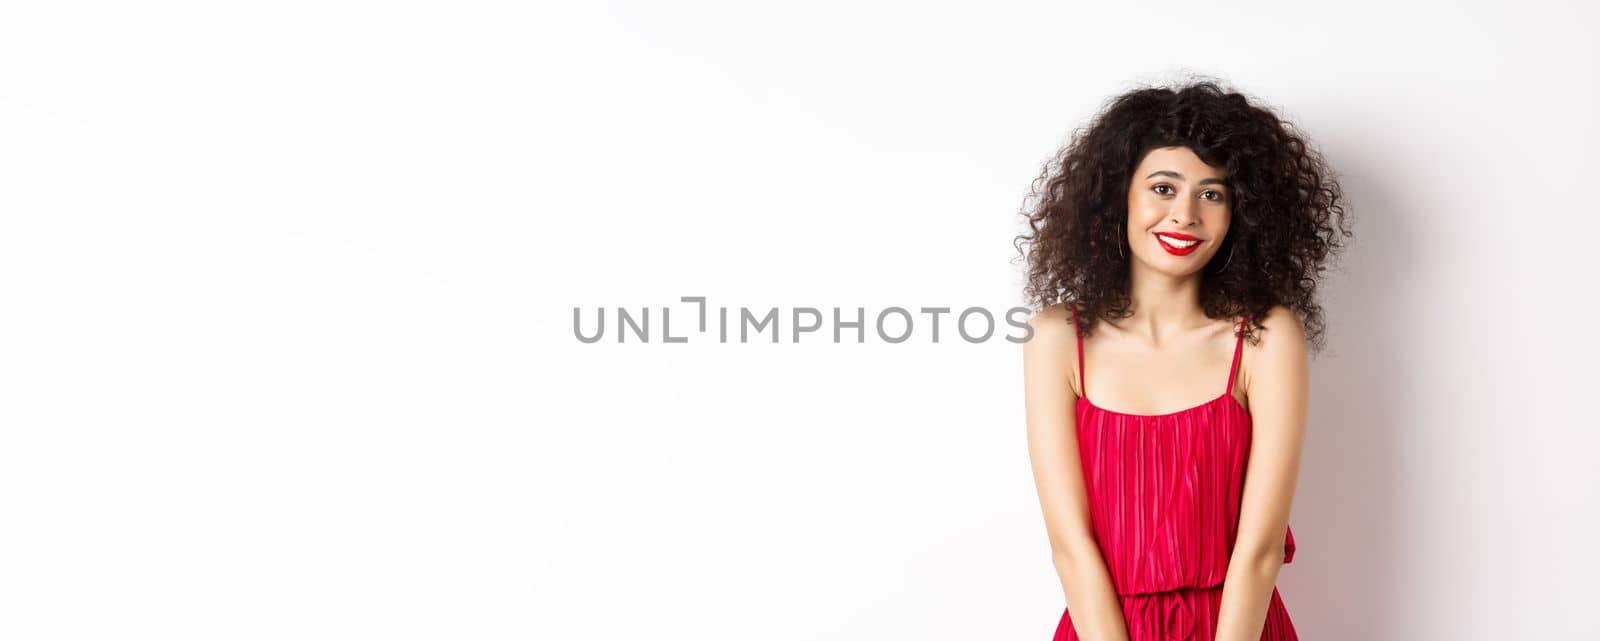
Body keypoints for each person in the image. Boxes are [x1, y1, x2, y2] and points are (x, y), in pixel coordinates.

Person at [1015, 79, 1352, 641]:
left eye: (1213, 194)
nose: (1186, 214)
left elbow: (1261, 550)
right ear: (1118, 195)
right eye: (1163, 188)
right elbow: (1070, 548)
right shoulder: (1057, 339)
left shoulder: (1265, 337)